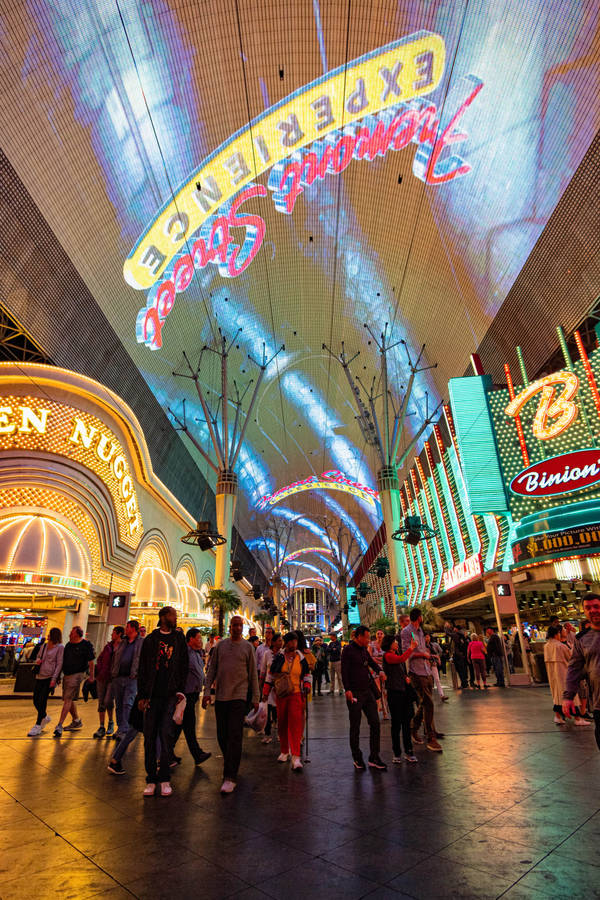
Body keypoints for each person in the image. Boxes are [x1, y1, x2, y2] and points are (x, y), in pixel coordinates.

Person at [203, 614, 259, 794]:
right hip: (221, 697)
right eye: (234, 625)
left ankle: (230, 776)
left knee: (235, 735)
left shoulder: (248, 648)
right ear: (230, 627)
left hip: (239, 697)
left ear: (242, 628)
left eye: (239, 625)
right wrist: (206, 693)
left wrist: (256, 697)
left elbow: (253, 675)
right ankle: (230, 762)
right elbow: (211, 669)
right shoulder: (221, 646)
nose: (236, 628)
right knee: (221, 734)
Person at [137, 606, 189, 797]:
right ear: (164, 617)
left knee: (167, 736)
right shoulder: (151, 640)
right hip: (152, 695)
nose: (175, 618)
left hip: (170, 695)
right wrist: (142, 695)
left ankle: (165, 778)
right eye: (173, 615)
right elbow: (142, 667)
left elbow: (184, 665)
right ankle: (151, 779)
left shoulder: (178, 639)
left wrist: (180, 691)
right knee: (149, 737)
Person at [341, 624, 387, 771]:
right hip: (354, 693)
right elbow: (344, 671)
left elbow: (372, 663)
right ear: (359, 637)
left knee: (375, 723)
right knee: (355, 726)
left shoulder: (363, 650)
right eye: (367, 637)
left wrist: (379, 671)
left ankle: (374, 756)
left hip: (367, 691)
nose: (369, 640)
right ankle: (357, 757)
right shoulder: (348, 650)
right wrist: (347, 689)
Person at [265, 632, 311, 770]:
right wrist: (265, 692)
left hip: (297, 694)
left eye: (295, 641)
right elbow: (270, 674)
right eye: (291, 641)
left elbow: (307, 674)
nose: (293, 644)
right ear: (286, 643)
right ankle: (284, 751)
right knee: (282, 722)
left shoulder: (301, 658)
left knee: (295, 724)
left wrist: (307, 685)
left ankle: (296, 756)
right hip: (281, 694)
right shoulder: (279, 657)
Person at [401, 608, 442, 752]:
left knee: (425, 702)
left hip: (426, 670)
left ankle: (414, 727)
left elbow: (422, 649)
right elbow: (409, 652)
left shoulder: (420, 631)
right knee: (428, 703)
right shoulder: (406, 632)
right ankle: (431, 738)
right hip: (416, 672)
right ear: (419, 617)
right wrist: (422, 655)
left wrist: (429, 656)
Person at [564, 594, 600, 750]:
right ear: (584, 611)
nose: (592, 610)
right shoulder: (582, 638)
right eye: (588, 608)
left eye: (596, 606)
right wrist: (568, 697)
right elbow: (574, 667)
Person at [171, 628, 211, 767]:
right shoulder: (186, 654)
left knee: (180, 726)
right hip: (186, 696)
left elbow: (201, 674)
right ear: (191, 639)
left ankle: (167, 753)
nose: (200, 641)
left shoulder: (197, 654)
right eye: (198, 638)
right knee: (188, 725)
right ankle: (197, 754)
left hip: (192, 695)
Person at [382, 633, 418, 763]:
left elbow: (400, 668)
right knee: (396, 723)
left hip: (403, 691)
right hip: (394, 692)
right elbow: (401, 659)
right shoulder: (388, 655)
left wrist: (405, 678)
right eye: (395, 642)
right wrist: (411, 648)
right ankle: (397, 752)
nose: (397, 643)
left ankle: (408, 751)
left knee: (406, 723)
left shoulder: (396, 655)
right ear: (389, 644)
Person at [53, 626, 95, 737]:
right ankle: (76, 720)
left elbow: (91, 662)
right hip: (67, 674)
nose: (69, 634)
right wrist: (58, 676)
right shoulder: (69, 645)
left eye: (72, 632)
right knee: (68, 699)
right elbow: (63, 660)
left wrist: (91, 676)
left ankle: (59, 725)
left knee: (67, 699)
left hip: (77, 674)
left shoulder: (86, 645)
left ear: (77, 634)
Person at [545, 625, 589, 727]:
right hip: (564, 673)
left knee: (557, 695)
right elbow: (572, 658)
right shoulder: (560, 646)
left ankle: (558, 717)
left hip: (552, 675)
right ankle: (578, 719)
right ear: (557, 634)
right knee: (570, 695)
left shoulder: (546, 646)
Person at [110, 619, 144, 741]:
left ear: (133, 629)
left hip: (132, 678)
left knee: (127, 703)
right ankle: (121, 727)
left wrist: (137, 673)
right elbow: (116, 657)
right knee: (118, 704)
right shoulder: (123, 642)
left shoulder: (141, 642)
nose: (126, 629)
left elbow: (141, 658)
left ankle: (126, 729)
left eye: (127, 627)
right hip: (119, 677)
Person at [28, 627, 63, 736]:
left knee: (42, 699)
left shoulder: (60, 647)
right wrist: (38, 660)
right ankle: (44, 716)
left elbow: (59, 664)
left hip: (49, 677)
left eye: (50, 634)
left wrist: (54, 679)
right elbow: (38, 656)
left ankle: (38, 724)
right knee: (35, 699)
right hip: (40, 675)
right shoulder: (44, 646)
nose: (48, 636)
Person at [92, 626, 123, 738]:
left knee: (108, 700)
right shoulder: (108, 646)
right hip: (102, 677)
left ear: (119, 634)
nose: (111, 635)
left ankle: (110, 721)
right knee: (101, 702)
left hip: (113, 678)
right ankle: (101, 726)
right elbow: (100, 659)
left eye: (114, 633)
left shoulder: (123, 647)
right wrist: (99, 670)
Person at [261, 632, 282, 743]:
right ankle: (267, 734)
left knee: (278, 713)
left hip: (280, 687)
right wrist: (261, 687)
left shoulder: (283, 653)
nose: (281, 642)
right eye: (279, 640)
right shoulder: (267, 654)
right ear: (273, 642)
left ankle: (280, 734)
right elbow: (263, 671)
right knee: (267, 712)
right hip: (268, 687)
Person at [369, 629, 389, 718]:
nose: (380, 635)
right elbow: (369, 657)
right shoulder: (371, 644)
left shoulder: (386, 645)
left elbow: (387, 656)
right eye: (378, 633)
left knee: (386, 691)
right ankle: (378, 711)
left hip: (386, 669)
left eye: (381, 633)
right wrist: (378, 660)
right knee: (379, 691)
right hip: (376, 670)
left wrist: (376, 659)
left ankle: (385, 710)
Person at [426, 633, 448, 701]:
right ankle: (428, 696)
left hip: (433, 663)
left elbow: (439, 652)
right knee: (427, 681)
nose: (427, 638)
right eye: (426, 637)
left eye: (428, 637)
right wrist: (435, 656)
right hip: (425, 664)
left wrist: (437, 658)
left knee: (437, 680)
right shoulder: (422, 646)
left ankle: (442, 695)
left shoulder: (432, 645)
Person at [451, 625, 469, 689]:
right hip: (463, 655)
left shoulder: (457, 635)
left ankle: (464, 683)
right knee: (463, 670)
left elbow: (458, 645)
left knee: (461, 670)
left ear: (456, 629)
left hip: (459, 656)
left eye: (454, 628)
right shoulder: (463, 636)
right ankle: (465, 683)